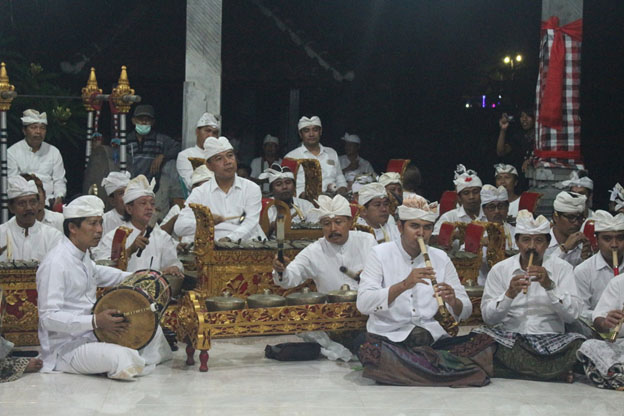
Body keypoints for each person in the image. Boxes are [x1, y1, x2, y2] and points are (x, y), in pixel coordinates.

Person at [356, 196, 490, 387]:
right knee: (369, 349)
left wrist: (454, 301)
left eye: (427, 227)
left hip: (432, 339)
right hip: (391, 338)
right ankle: (445, 369)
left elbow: (466, 309)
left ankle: (416, 367)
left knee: (485, 341)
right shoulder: (380, 254)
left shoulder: (440, 258)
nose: (421, 233)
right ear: (400, 227)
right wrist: (404, 285)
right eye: (414, 226)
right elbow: (364, 303)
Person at [37, 195, 172, 380]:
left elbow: (99, 272)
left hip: (94, 333)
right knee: (122, 358)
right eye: (92, 224)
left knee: (154, 333)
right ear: (73, 228)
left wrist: (140, 277)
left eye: (100, 223)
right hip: (66, 347)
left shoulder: (81, 255)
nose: (99, 230)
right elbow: (48, 318)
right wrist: (95, 321)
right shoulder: (56, 263)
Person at [476, 209, 583, 382]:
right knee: (479, 337)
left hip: (551, 340)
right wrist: (509, 294)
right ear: (517, 242)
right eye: (526, 240)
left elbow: (572, 316)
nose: (532, 247)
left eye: (539, 240)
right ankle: (551, 373)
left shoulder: (562, 269)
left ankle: (510, 371)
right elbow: (489, 318)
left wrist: (550, 287)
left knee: (580, 343)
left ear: (547, 244)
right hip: (511, 339)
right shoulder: (500, 270)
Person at [272, 194, 376, 293]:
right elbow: (289, 279)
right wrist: (281, 270)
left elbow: (384, 272)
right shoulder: (314, 251)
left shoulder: (366, 241)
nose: (333, 228)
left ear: (349, 222)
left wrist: (372, 276)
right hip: (332, 309)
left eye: (338, 222)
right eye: (327, 224)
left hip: (367, 307)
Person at [174, 136, 266, 242]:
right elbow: (179, 227)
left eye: (230, 155)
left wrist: (229, 239)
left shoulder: (251, 188)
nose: (227, 161)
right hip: (213, 249)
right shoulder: (200, 192)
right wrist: (206, 222)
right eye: (219, 158)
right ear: (209, 166)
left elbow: (250, 223)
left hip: (247, 246)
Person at [94, 175, 183, 275]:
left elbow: (174, 263)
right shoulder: (114, 237)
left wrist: (174, 268)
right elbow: (103, 270)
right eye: (143, 203)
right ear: (129, 209)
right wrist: (130, 250)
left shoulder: (162, 237)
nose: (149, 208)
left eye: (152, 203)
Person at [574, 211, 624, 329]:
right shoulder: (583, 271)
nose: (614, 245)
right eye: (607, 239)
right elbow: (580, 312)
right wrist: (603, 317)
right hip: (595, 333)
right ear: (596, 240)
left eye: (620, 238)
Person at [577, 268, 624, 389]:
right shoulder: (619, 282)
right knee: (590, 346)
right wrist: (606, 323)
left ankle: (617, 377)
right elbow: (598, 320)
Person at [8, 109, 66, 207]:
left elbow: (59, 180)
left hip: (50, 202)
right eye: (34, 127)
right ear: (24, 130)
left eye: (42, 128)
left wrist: (59, 197)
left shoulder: (53, 151)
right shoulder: (12, 152)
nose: (38, 132)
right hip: (24, 202)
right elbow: (12, 182)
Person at [0, 176, 62, 261]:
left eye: (33, 202)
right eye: (22, 203)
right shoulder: (1, 234)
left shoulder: (52, 236)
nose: (28, 208)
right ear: (11, 208)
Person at [284, 116, 347, 197]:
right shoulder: (291, 157)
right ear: (300, 134)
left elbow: (339, 176)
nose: (311, 134)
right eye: (306, 130)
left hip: (333, 201)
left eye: (315, 130)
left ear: (320, 132)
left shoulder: (331, 152)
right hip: (303, 204)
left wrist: (342, 188)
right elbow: (286, 186)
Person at [126, 104, 180, 184]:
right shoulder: (127, 140)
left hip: (153, 184)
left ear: (152, 122)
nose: (144, 122)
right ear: (133, 121)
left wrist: (163, 156)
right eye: (140, 119)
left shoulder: (160, 139)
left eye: (147, 120)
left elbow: (177, 147)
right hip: (131, 183)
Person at [476, 185, 516, 286]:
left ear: (507, 208)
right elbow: (466, 257)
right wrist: (479, 245)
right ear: (484, 210)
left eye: (501, 206)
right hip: (483, 283)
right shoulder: (475, 231)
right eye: (491, 207)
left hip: (510, 282)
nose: (497, 211)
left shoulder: (516, 232)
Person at [260, 164, 317, 230]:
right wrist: (272, 227)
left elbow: (314, 231)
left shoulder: (306, 206)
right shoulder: (265, 207)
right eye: (278, 184)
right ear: (271, 190)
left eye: (288, 182)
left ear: (294, 186)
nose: (284, 187)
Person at [433, 165, 486, 235]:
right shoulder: (449, 218)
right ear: (459, 198)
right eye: (466, 193)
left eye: (475, 192)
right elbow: (435, 241)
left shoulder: (490, 215)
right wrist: (452, 236)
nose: (471, 197)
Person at [176, 112, 219, 193]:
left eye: (215, 133)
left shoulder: (221, 156)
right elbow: (192, 184)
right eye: (207, 131)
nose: (211, 135)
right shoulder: (186, 155)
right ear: (197, 132)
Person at [547, 191, 591, 267]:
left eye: (580, 218)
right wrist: (564, 249)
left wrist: (588, 260)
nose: (577, 223)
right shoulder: (542, 241)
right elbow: (544, 271)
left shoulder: (584, 246)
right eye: (571, 217)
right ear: (555, 217)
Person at [496, 108, 535, 174]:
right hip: (520, 176)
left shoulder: (541, 136)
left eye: (528, 116)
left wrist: (531, 160)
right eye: (522, 116)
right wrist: (503, 129)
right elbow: (501, 152)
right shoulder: (519, 136)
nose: (524, 119)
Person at [100, 171, 132, 236]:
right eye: (121, 193)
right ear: (112, 201)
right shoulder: (104, 221)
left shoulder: (140, 217)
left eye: (128, 191)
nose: (127, 196)